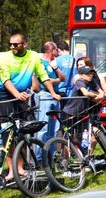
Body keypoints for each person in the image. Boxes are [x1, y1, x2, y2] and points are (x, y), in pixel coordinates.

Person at [1, 31, 62, 181]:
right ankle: (10, 170)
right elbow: (5, 79)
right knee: (7, 133)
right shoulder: (4, 57)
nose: (12, 47)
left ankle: (20, 168)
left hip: (21, 95)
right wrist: (16, 94)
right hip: (5, 95)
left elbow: (42, 75)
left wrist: (53, 92)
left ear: (25, 44)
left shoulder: (34, 56)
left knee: (22, 133)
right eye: (10, 44)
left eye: (15, 44)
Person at [38, 41, 66, 142]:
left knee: (53, 129)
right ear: (51, 50)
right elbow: (45, 81)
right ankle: (40, 156)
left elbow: (63, 78)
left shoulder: (53, 63)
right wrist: (57, 80)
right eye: (56, 50)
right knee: (43, 127)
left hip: (55, 97)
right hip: (44, 96)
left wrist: (56, 68)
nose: (58, 52)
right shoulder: (41, 62)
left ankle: (51, 155)